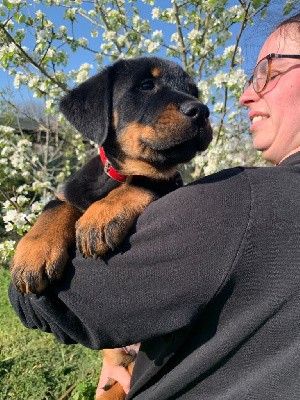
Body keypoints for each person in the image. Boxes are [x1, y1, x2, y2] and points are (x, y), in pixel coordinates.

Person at [9, 12, 300, 399]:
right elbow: (65, 204)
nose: (193, 105)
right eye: (146, 87)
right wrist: (51, 222)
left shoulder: (229, 203)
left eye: (269, 72)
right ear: (100, 115)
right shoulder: (84, 187)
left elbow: (40, 304)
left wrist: (138, 192)